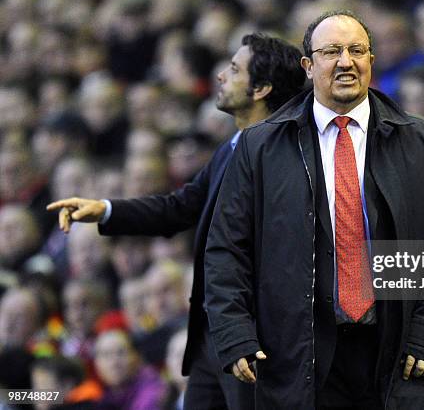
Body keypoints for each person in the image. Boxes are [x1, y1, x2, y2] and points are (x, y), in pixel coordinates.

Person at [204, 10, 424, 409]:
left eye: (356, 50)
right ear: (308, 66)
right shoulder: (260, 147)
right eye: (332, 51)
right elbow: (227, 248)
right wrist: (234, 333)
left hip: (399, 354)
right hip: (295, 356)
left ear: (371, 62)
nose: (346, 61)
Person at [46, 34, 306, 410]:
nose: (220, 76)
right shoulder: (231, 147)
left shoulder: (285, 159)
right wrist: (105, 209)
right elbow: (179, 208)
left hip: (254, 341)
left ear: (261, 88)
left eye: (234, 70)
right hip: (210, 337)